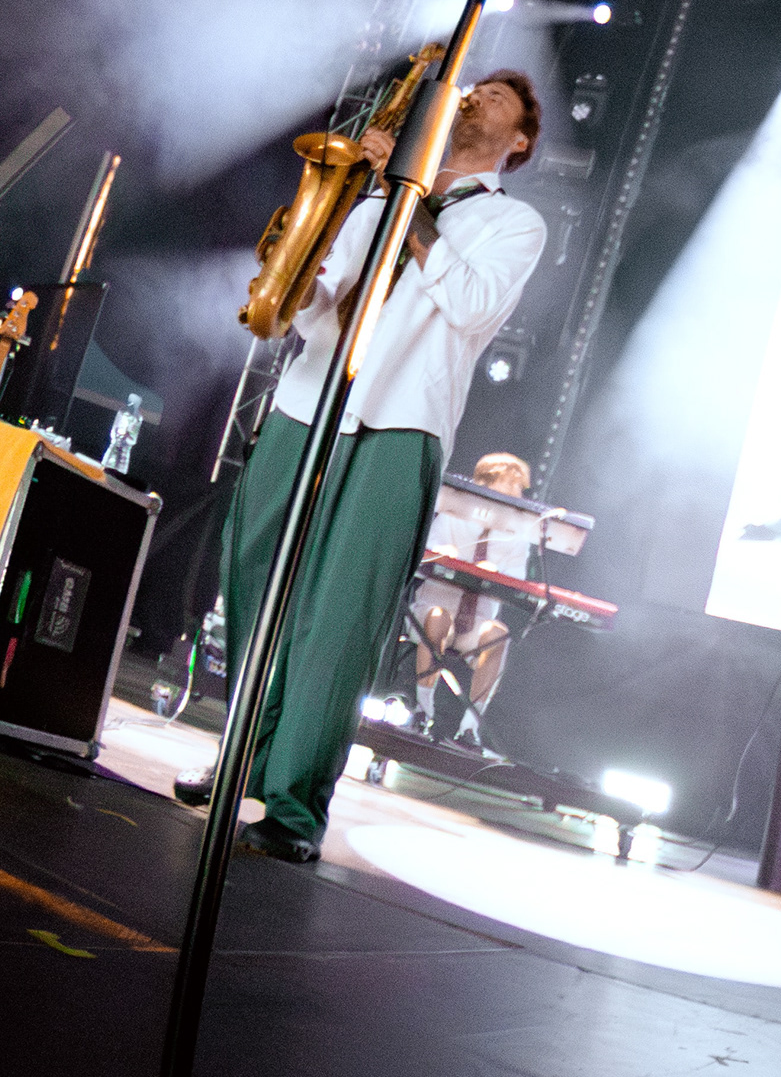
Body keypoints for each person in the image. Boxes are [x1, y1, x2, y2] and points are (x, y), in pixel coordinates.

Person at [182, 70, 546, 863]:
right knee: (251, 577)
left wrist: (408, 197)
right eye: (475, 87)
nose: (477, 96)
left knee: (341, 620)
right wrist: (295, 273)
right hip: (306, 402)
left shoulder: (513, 222)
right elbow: (319, 310)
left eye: (499, 97)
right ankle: (241, 758)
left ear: (520, 140)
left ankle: (293, 807)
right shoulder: (375, 201)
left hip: (400, 424)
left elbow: (473, 305)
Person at [412, 450, 541, 748]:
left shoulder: (517, 533)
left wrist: (496, 572)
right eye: (512, 483)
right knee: (438, 618)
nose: (518, 492)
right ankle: (422, 709)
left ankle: (470, 727)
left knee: (498, 634)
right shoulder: (454, 513)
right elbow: (429, 549)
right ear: (487, 482)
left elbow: (517, 577)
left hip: (475, 624)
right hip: (433, 612)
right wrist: (447, 555)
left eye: (520, 486)